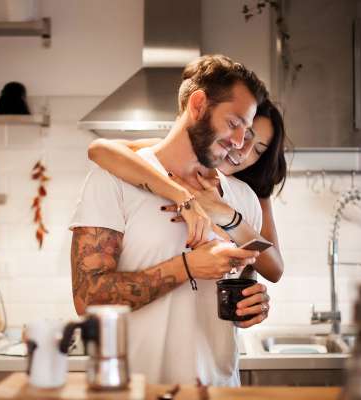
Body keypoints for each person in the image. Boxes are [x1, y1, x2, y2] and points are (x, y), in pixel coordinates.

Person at [69, 55, 269, 386]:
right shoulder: (112, 180)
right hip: (135, 391)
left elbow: (242, 282)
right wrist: (187, 267)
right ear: (199, 104)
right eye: (233, 123)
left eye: (246, 130)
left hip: (218, 391)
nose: (238, 142)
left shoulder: (242, 199)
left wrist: (255, 304)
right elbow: (86, 298)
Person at [87, 98, 287, 283]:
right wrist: (180, 193)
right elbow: (99, 150)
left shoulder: (251, 193)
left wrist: (226, 215)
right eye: (245, 135)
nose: (244, 151)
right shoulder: (171, 158)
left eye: (259, 150)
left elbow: (273, 269)